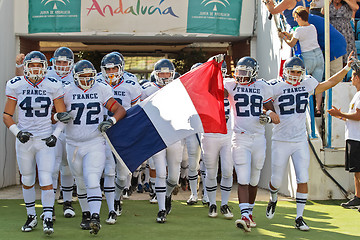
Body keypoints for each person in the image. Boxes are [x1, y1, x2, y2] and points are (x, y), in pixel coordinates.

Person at [266, 52, 355, 231]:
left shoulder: (307, 84)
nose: (295, 75)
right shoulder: (274, 86)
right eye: (292, 71)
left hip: (299, 139)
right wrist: (269, 112)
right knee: (275, 180)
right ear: (285, 71)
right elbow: (259, 99)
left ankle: (299, 217)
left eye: (299, 72)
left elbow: (328, 84)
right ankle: (273, 197)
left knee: (303, 177)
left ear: (303, 73)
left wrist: (346, 68)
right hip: (280, 140)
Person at [3, 51, 71, 235]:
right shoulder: (16, 85)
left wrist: (55, 135)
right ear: (25, 67)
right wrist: (17, 132)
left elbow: (63, 115)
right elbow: (7, 115)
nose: (35, 68)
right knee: (27, 178)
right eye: (31, 65)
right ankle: (31, 215)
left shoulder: (53, 84)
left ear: (44, 67)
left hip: (44, 139)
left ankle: (48, 217)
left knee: (46, 178)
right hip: (25, 139)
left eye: (38, 65)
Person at [63, 60, 126, 234]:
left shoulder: (101, 89)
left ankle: (95, 217)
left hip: (94, 142)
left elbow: (120, 110)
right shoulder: (66, 91)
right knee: (80, 182)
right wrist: (58, 117)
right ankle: (85, 213)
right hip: (72, 143)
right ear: (75, 77)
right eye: (82, 76)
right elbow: (56, 113)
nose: (86, 79)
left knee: (92, 179)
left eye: (89, 75)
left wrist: (111, 121)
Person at [224, 57, 280, 232]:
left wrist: (268, 114)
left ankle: (250, 212)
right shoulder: (230, 85)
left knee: (254, 178)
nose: (240, 76)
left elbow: (274, 114)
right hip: (240, 137)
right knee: (243, 177)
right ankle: (244, 216)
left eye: (244, 73)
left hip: (258, 138)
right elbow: (213, 91)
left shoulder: (263, 86)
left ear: (254, 72)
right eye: (238, 72)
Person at [98, 52, 142, 222]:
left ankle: (117, 199)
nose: (111, 71)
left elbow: (135, 111)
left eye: (114, 68)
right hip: (103, 131)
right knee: (108, 170)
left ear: (121, 68)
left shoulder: (131, 84)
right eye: (107, 69)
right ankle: (109, 205)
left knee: (122, 175)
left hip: (123, 131)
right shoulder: (97, 83)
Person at [141, 59, 184, 223]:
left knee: (173, 177)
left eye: (168, 73)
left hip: (174, 136)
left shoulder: (179, 90)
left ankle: (167, 196)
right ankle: (161, 210)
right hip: (156, 135)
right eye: (162, 73)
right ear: (156, 74)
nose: (165, 76)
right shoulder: (147, 90)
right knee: (160, 173)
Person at [46, 47, 77, 219]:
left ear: (71, 63)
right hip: (52, 125)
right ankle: (49, 208)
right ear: (53, 62)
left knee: (67, 168)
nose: (62, 65)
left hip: (72, 127)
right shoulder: (46, 74)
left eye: (65, 62)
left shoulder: (78, 75)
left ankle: (67, 202)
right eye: (59, 61)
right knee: (52, 167)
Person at [202, 61, 234, 220]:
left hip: (228, 135)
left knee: (228, 170)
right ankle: (213, 203)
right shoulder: (204, 84)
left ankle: (225, 204)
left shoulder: (231, 83)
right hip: (209, 135)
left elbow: (228, 92)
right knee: (211, 172)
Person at [279, 6, 324, 116]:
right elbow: (298, 35)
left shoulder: (298, 30)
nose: (295, 20)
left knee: (303, 82)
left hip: (307, 56)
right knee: (318, 84)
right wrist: (289, 34)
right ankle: (318, 108)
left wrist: (283, 37)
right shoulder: (312, 27)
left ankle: (306, 107)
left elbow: (292, 43)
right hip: (318, 55)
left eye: (295, 17)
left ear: (299, 17)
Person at [327, 61, 360, 209]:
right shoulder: (357, 95)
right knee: (356, 171)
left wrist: (340, 113)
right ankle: (358, 197)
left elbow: (358, 116)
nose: (351, 79)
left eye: (353, 76)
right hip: (353, 137)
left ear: (357, 78)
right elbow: (353, 116)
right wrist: (339, 116)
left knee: (358, 171)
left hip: (357, 138)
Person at [330, 0, 359, 64]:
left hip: (345, 31)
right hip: (332, 30)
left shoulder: (348, 3)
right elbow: (323, 12)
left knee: (347, 52)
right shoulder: (330, 3)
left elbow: (356, 8)